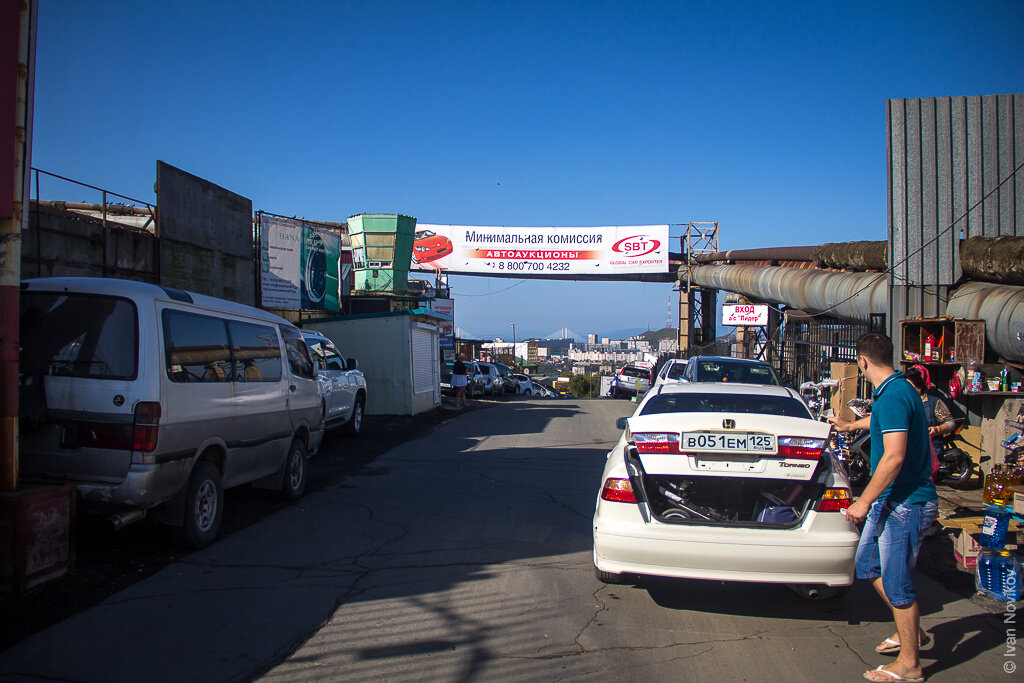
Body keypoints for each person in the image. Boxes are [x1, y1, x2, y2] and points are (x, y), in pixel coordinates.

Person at [829, 333, 938, 683]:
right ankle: (913, 632)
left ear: (861, 362)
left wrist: (863, 501)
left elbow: (893, 457)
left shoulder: (892, 396)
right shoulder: (897, 390)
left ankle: (910, 664)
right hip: (893, 500)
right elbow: (883, 423)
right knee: (867, 565)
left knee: (897, 583)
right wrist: (851, 424)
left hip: (905, 502)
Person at [904, 364, 957, 461]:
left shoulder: (934, 402)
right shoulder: (903, 403)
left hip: (931, 450)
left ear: (918, 388)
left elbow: (950, 423)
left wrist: (937, 429)